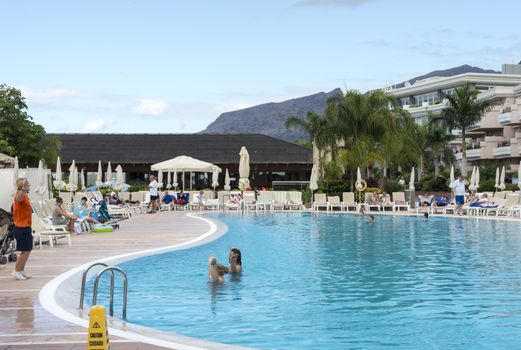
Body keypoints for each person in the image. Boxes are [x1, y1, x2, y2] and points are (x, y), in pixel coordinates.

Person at [11, 178, 33, 280]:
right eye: (27, 183)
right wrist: (23, 189)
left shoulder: (25, 196)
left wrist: (24, 190)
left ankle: (21, 270)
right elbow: (18, 199)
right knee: (24, 251)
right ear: (22, 186)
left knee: (27, 250)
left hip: (26, 226)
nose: (30, 185)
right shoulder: (19, 195)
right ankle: (16, 271)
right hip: (21, 227)